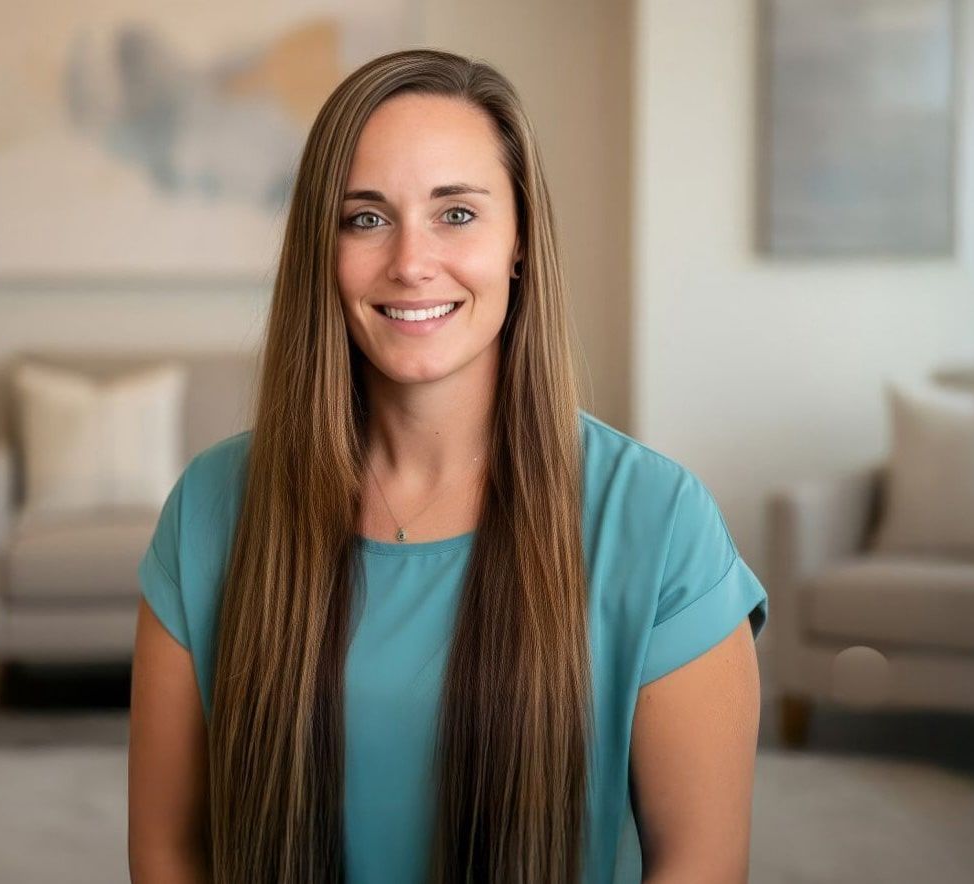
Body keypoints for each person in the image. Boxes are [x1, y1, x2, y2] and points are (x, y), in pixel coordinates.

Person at [128, 48, 768, 884]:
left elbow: (700, 864)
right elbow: (169, 852)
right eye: (365, 218)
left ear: (519, 242)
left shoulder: (659, 521)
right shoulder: (209, 508)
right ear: (321, 251)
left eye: (456, 214)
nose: (409, 261)